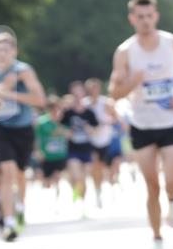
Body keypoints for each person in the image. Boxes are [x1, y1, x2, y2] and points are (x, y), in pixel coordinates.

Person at [109, 0, 173, 249]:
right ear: (132, 19)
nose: (145, 21)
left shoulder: (172, 43)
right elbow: (114, 92)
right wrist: (133, 82)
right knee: (151, 185)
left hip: (171, 122)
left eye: (149, 16)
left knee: (172, 180)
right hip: (142, 124)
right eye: (140, 16)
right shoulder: (125, 51)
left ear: (155, 16)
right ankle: (157, 237)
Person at [0, 32, 46, 241]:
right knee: (7, 173)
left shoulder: (23, 71)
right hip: (1, 129)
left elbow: (40, 100)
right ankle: (9, 223)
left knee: (20, 174)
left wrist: (9, 93)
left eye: (5, 49)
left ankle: (21, 206)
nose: (1, 54)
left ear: (14, 51)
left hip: (23, 130)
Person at [60, 81, 98, 218]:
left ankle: (82, 203)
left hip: (87, 148)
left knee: (84, 179)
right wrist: (66, 132)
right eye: (74, 93)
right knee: (77, 177)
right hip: (73, 149)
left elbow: (96, 128)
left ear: (83, 94)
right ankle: (77, 197)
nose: (77, 96)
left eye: (79, 93)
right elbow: (59, 126)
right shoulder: (68, 113)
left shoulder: (89, 112)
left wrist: (91, 130)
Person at [84, 77, 118, 208]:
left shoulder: (105, 103)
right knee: (95, 167)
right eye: (91, 88)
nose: (93, 91)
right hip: (91, 141)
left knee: (106, 167)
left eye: (95, 88)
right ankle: (98, 192)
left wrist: (105, 123)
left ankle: (108, 186)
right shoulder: (85, 104)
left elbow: (116, 118)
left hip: (105, 139)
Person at [35, 95, 69, 211]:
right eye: (54, 109)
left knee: (57, 177)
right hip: (47, 156)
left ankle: (57, 203)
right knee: (47, 182)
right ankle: (47, 200)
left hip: (60, 155)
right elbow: (37, 138)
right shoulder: (42, 122)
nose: (57, 112)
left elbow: (70, 134)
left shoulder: (64, 120)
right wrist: (38, 151)